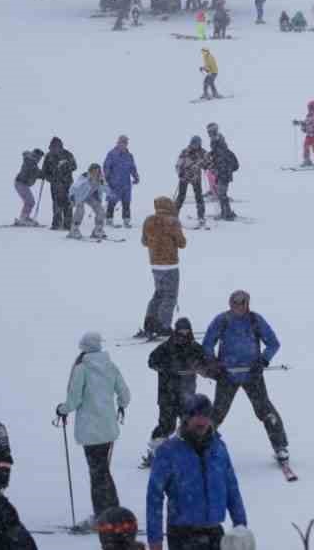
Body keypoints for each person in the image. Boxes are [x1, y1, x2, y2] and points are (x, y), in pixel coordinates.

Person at [145, 394, 249, 550]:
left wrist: (240, 524)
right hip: (182, 534)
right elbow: (154, 497)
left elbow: (231, 487)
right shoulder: (168, 451)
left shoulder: (219, 448)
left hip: (214, 531)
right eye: (196, 416)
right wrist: (155, 540)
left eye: (206, 416)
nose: (202, 421)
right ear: (186, 418)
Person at [200, 292, 290, 463]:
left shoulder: (256, 320)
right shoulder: (222, 320)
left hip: (252, 375)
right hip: (227, 375)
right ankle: (201, 444)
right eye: (235, 303)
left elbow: (273, 343)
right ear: (230, 303)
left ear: (247, 304)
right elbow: (207, 344)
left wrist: (263, 361)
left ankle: (280, 447)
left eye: (242, 303)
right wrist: (213, 364)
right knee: (217, 413)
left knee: (265, 410)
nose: (238, 306)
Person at [56, 332, 131, 529]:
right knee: (103, 472)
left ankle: (103, 516)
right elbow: (125, 393)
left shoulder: (82, 368)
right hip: (107, 429)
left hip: (90, 432)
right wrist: (121, 405)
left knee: (98, 474)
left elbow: (74, 401)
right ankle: (113, 512)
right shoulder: (110, 366)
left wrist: (61, 409)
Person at [143, 319, 206, 467]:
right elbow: (152, 361)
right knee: (166, 425)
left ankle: (192, 454)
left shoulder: (195, 348)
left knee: (189, 425)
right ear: (175, 331)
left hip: (188, 395)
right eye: (180, 331)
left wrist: (200, 368)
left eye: (186, 331)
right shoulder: (166, 347)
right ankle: (155, 452)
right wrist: (167, 368)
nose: (183, 334)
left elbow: (205, 363)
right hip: (167, 394)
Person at [141, 197, 185, 338]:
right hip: (170, 264)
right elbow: (182, 243)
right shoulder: (172, 222)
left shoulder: (149, 220)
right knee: (170, 296)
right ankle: (163, 326)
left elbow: (144, 241)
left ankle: (150, 321)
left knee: (158, 294)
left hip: (155, 264)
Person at [204, 125, 240, 222]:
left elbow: (221, 156)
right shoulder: (216, 143)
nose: (209, 134)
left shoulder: (218, 141)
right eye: (208, 131)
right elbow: (217, 155)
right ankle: (225, 212)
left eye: (210, 131)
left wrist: (219, 167)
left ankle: (227, 214)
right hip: (222, 173)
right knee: (221, 194)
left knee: (222, 194)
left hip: (224, 173)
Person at [104, 136, 140, 229]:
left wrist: (136, 177)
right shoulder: (112, 154)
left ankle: (126, 220)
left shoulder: (129, 155)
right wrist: (107, 178)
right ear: (118, 143)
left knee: (126, 202)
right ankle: (109, 219)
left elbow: (132, 167)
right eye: (122, 142)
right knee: (112, 201)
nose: (123, 144)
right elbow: (106, 166)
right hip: (114, 182)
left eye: (125, 143)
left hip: (126, 183)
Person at [69, 163, 110, 240]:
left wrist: (103, 184)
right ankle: (74, 229)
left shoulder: (101, 178)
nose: (95, 173)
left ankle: (98, 230)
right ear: (90, 171)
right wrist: (72, 198)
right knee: (80, 211)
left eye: (97, 171)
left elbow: (107, 190)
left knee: (100, 211)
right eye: (94, 171)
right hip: (80, 196)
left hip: (91, 197)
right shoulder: (85, 176)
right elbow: (74, 187)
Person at [292, 101, 314, 167]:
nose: (308, 108)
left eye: (310, 106)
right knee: (305, 146)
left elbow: (309, 122)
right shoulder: (309, 114)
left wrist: (300, 123)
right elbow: (306, 123)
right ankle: (307, 160)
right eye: (308, 106)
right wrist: (301, 125)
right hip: (310, 134)